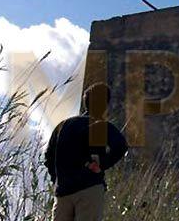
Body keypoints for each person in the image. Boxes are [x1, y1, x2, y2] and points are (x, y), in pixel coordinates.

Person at [44, 83, 128, 221]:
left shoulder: (63, 126)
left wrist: (57, 180)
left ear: (86, 103)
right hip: (89, 188)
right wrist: (102, 165)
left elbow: (48, 157)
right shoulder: (100, 125)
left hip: (63, 192)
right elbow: (121, 145)